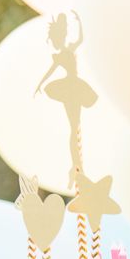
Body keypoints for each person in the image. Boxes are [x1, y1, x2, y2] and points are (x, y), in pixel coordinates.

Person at [34, 12, 97, 189]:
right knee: (73, 127)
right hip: (70, 88)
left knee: (75, 126)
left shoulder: (69, 48)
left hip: (74, 86)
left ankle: (76, 168)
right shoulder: (60, 55)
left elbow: (80, 40)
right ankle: (76, 167)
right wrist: (39, 84)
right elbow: (51, 71)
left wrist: (80, 22)